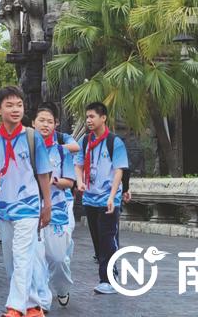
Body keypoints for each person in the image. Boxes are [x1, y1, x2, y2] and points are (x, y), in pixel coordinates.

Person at [0, 85, 53, 317]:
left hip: (28, 206)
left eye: (19, 104)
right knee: (11, 258)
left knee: (21, 254)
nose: (16, 109)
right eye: (9, 105)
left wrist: (46, 204)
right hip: (4, 207)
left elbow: (43, 173)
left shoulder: (32, 137)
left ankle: (14, 307)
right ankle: (32, 306)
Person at [74, 101, 127, 295]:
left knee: (107, 238)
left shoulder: (115, 142)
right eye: (87, 117)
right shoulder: (85, 142)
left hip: (108, 198)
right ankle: (108, 272)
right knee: (97, 240)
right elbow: (78, 164)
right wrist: (79, 181)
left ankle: (108, 279)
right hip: (89, 198)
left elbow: (119, 170)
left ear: (103, 118)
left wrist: (113, 196)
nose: (88, 120)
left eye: (92, 117)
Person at [32, 103, 78, 310]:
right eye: (41, 120)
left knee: (58, 258)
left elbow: (70, 181)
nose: (45, 124)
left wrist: (53, 181)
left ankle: (61, 288)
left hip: (58, 208)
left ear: (55, 125)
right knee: (36, 257)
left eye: (49, 121)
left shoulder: (61, 152)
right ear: (33, 123)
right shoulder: (25, 149)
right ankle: (42, 301)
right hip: (30, 209)